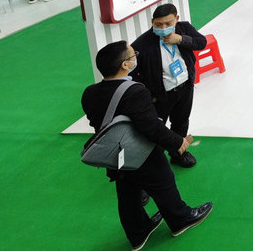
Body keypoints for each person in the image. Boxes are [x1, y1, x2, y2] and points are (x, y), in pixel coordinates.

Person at [81, 41, 212, 250]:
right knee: (163, 183)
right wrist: (177, 142)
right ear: (125, 65)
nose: (136, 56)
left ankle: (138, 233)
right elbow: (151, 127)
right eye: (133, 55)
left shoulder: (89, 92)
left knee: (127, 193)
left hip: (114, 154)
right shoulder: (134, 91)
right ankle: (181, 220)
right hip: (141, 152)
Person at [130, 4, 208, 169]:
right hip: (160, 96)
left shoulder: (184, 28)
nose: (163, 28)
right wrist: (148, 94)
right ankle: (153, 163)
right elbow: (132, 74)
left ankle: (178, 154)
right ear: (152, 22)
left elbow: (202, 42)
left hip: (185, 87)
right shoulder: (141, 44)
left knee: (181, 122)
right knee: (156, 130)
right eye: (158, 24)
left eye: (168, 23)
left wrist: (180, 39)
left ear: (176, 19)